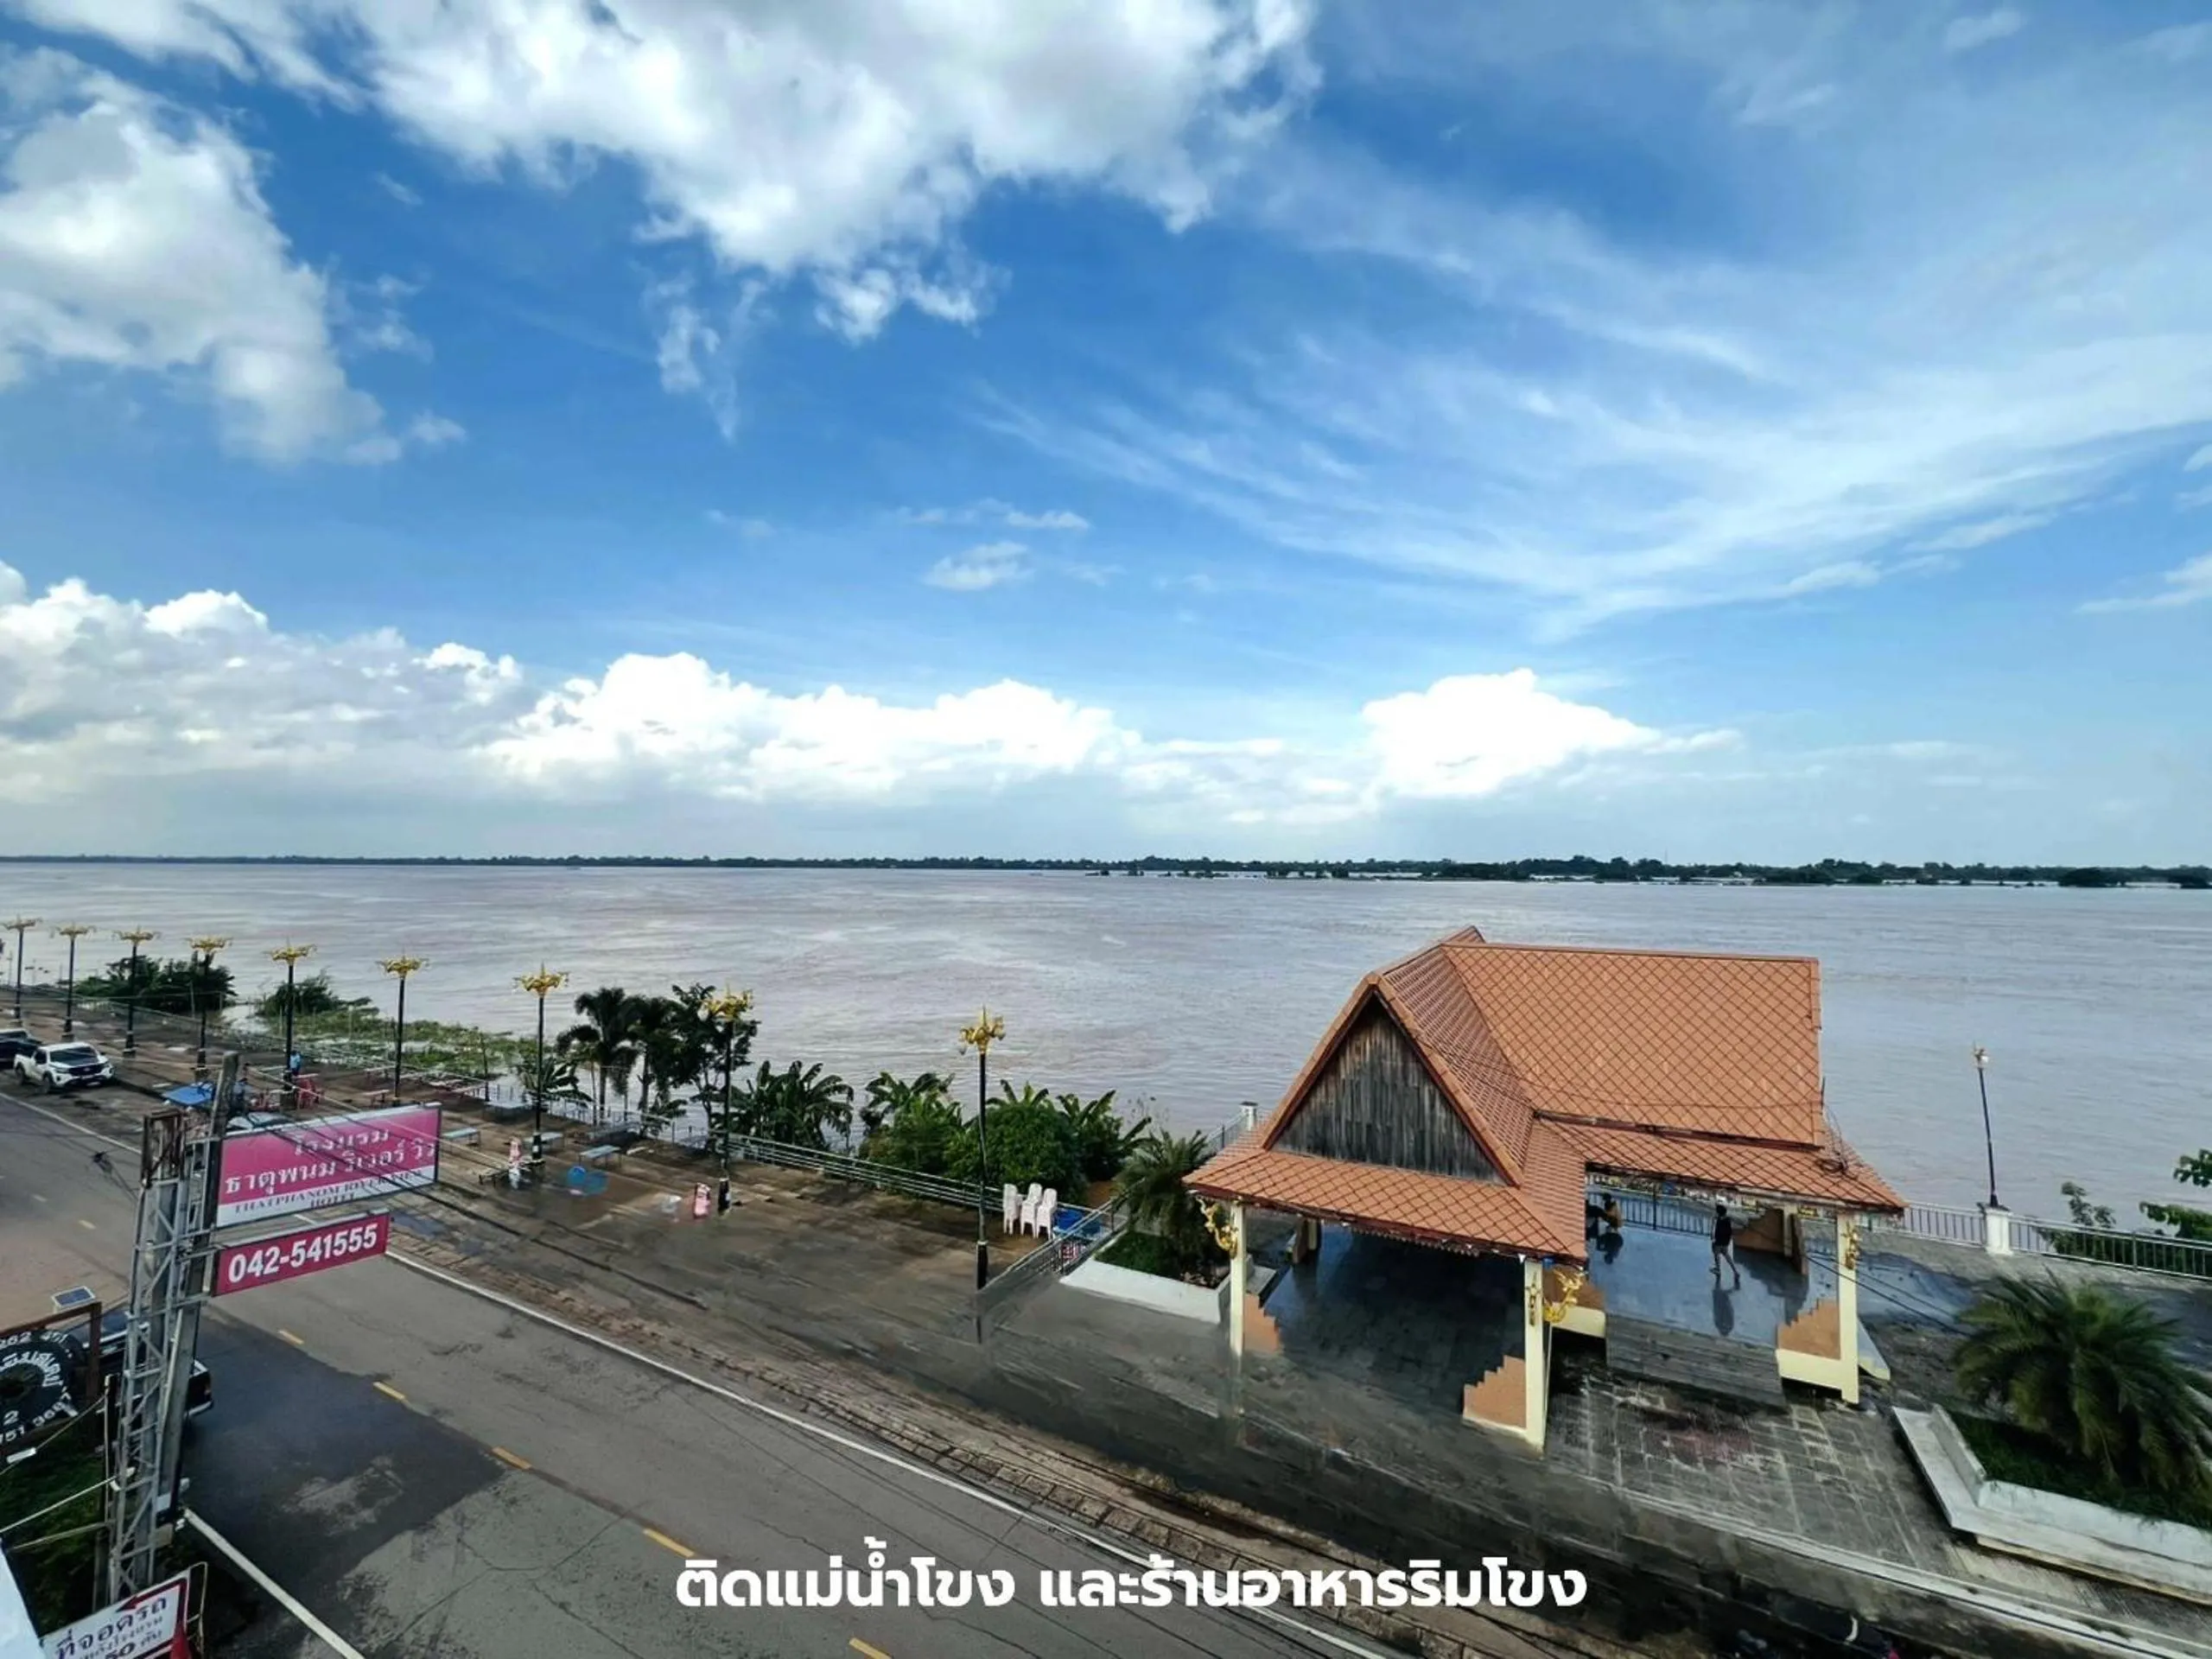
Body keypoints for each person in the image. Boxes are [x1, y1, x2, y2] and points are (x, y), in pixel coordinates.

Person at [1711, 1199, 1741, 1286]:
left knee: (1716, 1255)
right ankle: (1735, 1271)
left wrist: (1714, 1239)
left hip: (1719, 1241)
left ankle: (1718, 1269)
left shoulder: (1720, 1221)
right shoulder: (1727, 1220)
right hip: (1725, 1242)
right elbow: (1730, 1231)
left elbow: (1717, 1231)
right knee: (1727, 1256)